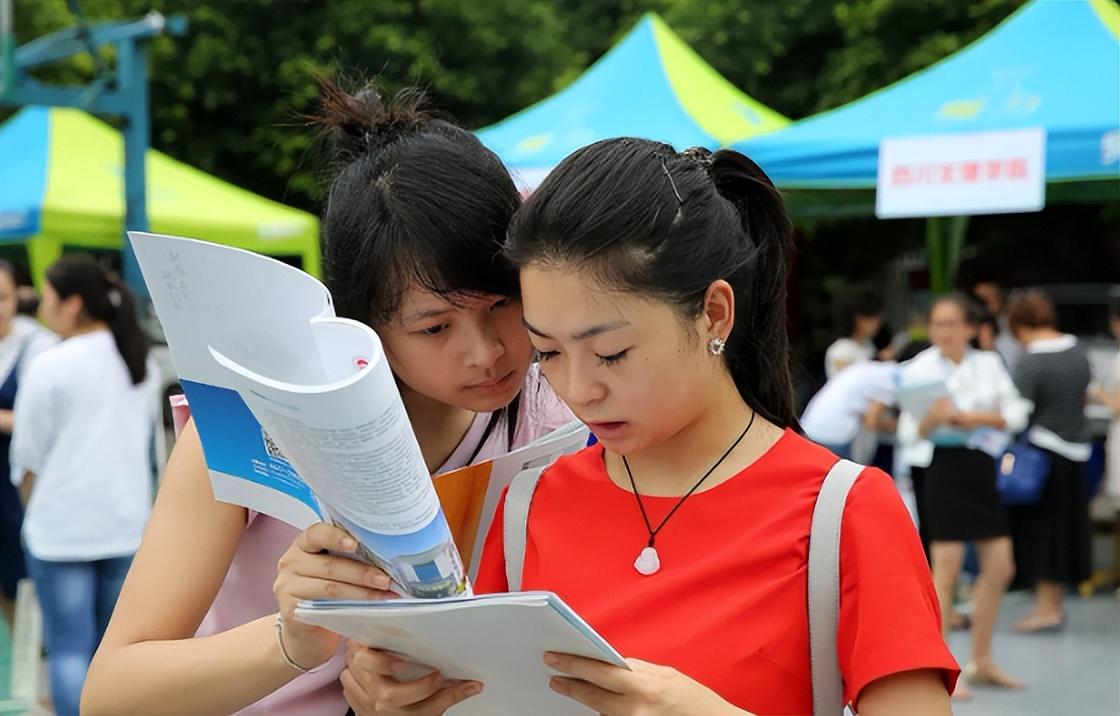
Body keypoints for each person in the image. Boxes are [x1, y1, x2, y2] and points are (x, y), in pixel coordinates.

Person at [343, 141, 958, 715]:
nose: (580, 389)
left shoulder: (844, 512)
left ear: (713, 313)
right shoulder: (526, 505)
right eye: (547, 353)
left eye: (610, 352)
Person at [81, 80, 573, 716]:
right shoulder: (251, 419)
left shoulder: (559, 408)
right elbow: (113, 692)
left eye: (502, 303)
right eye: (435, 327)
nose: (485, 352)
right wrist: (289, 642)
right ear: (363, 321)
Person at [10, 255, 158, 716]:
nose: (42, 307)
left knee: (70, 650)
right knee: (112, 651)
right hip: (126, 524)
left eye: (48, 297)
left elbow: (27, 456)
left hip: (62, 528)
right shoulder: (141, 362)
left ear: (72, 303)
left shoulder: (52, 364)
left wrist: (30, 502)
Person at [897, 293, 1029, 699]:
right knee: (947, 567)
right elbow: (910, 434)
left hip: (980, 465)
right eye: (938, 324)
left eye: (953, 323)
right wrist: (934, 418)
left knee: (1001, 564)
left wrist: (975, 418)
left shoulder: (987, 363)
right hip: (941, 467)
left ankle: (982, 658)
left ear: (971, 327)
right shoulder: (918, 369)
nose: (946, 332)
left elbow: (1016, 411)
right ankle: (941, 669)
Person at [1004, 290, 1092, 633]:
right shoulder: (1077, 350)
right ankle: (1054, 606)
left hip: (1043, 456)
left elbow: (1017, 414)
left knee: (1044, 532)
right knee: (1069, 529)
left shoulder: (1031, 360)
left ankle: (1045, 608)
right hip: (1078, 452)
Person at [0, 262, 55, 628]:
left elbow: (46, 424)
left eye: (2, 297)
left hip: (16, 480)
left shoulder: (39, 346)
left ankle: (30, 666)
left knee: (20, 575)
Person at [800, 360, 898, 461]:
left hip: (809, 429)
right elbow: (870, 421)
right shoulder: (891, 381)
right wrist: (896, 426)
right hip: (832, 438)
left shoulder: (865, 369)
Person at [824, 290, 884, 379]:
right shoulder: (841, 349)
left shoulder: (869, 345)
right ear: (858, 320)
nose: (878, 322)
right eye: (873, 317)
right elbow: (850, 380)